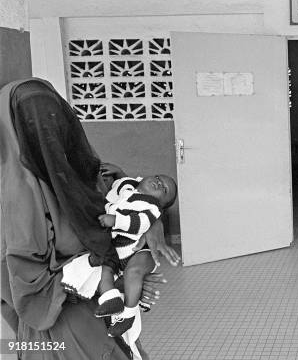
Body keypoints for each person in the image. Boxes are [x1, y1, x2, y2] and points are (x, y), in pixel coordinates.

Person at [0, 78, 180, 359]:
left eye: (55, 118)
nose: (49, 133)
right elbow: (20, 289)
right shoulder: (14, 200)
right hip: (64, 332)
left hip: (106, 323)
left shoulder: (80, 171)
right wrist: (106, 284)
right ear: (16, 129)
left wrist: (152, 226)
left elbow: (124, 193)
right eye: (35, 123)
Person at [95, 173, 177, 337]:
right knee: (105, 272)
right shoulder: (127, 186)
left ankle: (128, 314)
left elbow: (142, 222)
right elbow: (115, 189)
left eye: (164, 189)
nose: (158, 183)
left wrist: (116, 220)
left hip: (140, 250)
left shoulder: (152, 207)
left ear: (162, 204)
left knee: (133, 272)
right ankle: (110, 299)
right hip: (116, 250)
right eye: (158, 178)